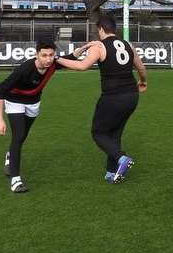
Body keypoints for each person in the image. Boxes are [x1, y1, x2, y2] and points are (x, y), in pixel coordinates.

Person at [56, 14, 147, 183]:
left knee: (98, 132)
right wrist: (143, 81)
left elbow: (82, 66)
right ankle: (111, 172)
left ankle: (121, 158)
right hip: (132, 96)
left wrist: (57, 59)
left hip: (113, 97)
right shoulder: (128, 45)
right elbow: (141, 67)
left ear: (101, 29)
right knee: (115, 133)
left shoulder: (99, 46)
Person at [0, 40, 89, 193]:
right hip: (14, 102)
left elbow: (71, 57)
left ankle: (10, 155)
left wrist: (85, 47)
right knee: (18, 137)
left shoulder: (52, 63)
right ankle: (16, 180)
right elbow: (0, 90)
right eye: (43, 55)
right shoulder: (24, 69)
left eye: (51, 55)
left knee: (23, 135)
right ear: (36, 54)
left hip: (33, 103)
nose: (48, 59)